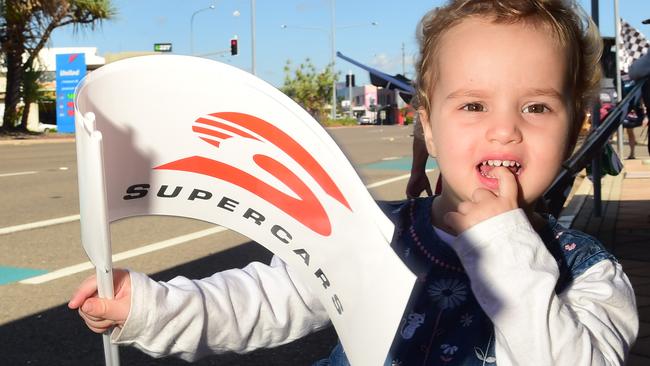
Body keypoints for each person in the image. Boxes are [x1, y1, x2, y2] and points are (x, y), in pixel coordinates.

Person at [69, 1, 639, 365]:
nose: (504, 129)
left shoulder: (587, 274)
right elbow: (262, 301)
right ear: (430, 130)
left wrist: (507, 244)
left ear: (573, 132)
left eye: (537, 107)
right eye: (472, 104)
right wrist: (148, 307)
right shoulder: (372, 233)